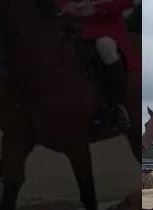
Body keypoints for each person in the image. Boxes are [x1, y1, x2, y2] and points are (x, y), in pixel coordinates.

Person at [59, 0, 141, 129]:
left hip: (105, 30)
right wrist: (65, 5)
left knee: (106, 47)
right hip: (71, 30)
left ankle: (118, 105)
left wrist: (97, 8)